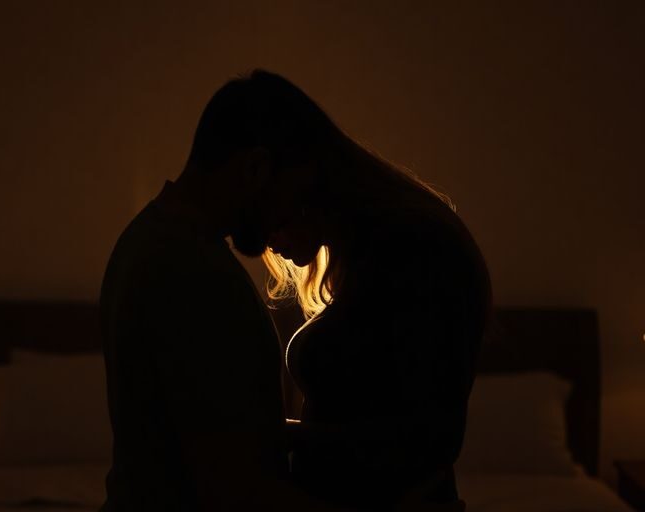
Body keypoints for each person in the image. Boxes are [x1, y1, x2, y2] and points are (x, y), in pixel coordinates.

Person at [99, 69, 468, 511]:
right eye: (297, 190)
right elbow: (237, 489)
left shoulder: (144, 242)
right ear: (256, 168)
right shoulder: (191, 272)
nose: (290, 215)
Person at [261, 78, 493, 508]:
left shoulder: (413, 248)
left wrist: (277, 435)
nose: (261, 239)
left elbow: (414, 438)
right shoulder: (369, 251)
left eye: (265, 210)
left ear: (299, 179)